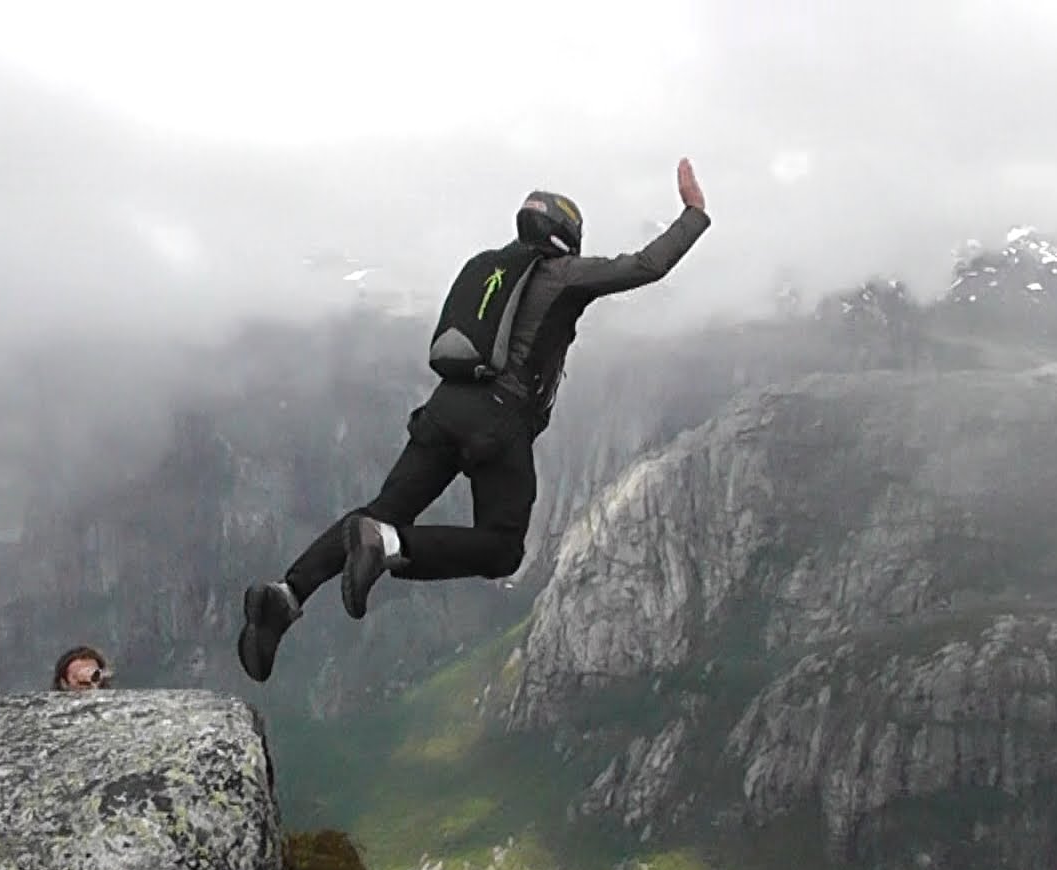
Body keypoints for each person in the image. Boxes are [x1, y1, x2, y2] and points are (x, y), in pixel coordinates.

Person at [237, 158, 711, 683]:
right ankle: (391, 546)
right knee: (502, 546)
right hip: (498, 423)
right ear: (565, 236)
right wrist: (693, 214)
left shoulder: (486, 267)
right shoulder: (561, 275)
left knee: (383, 507)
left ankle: (286, 595)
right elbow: (645, 265)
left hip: (443, 408)